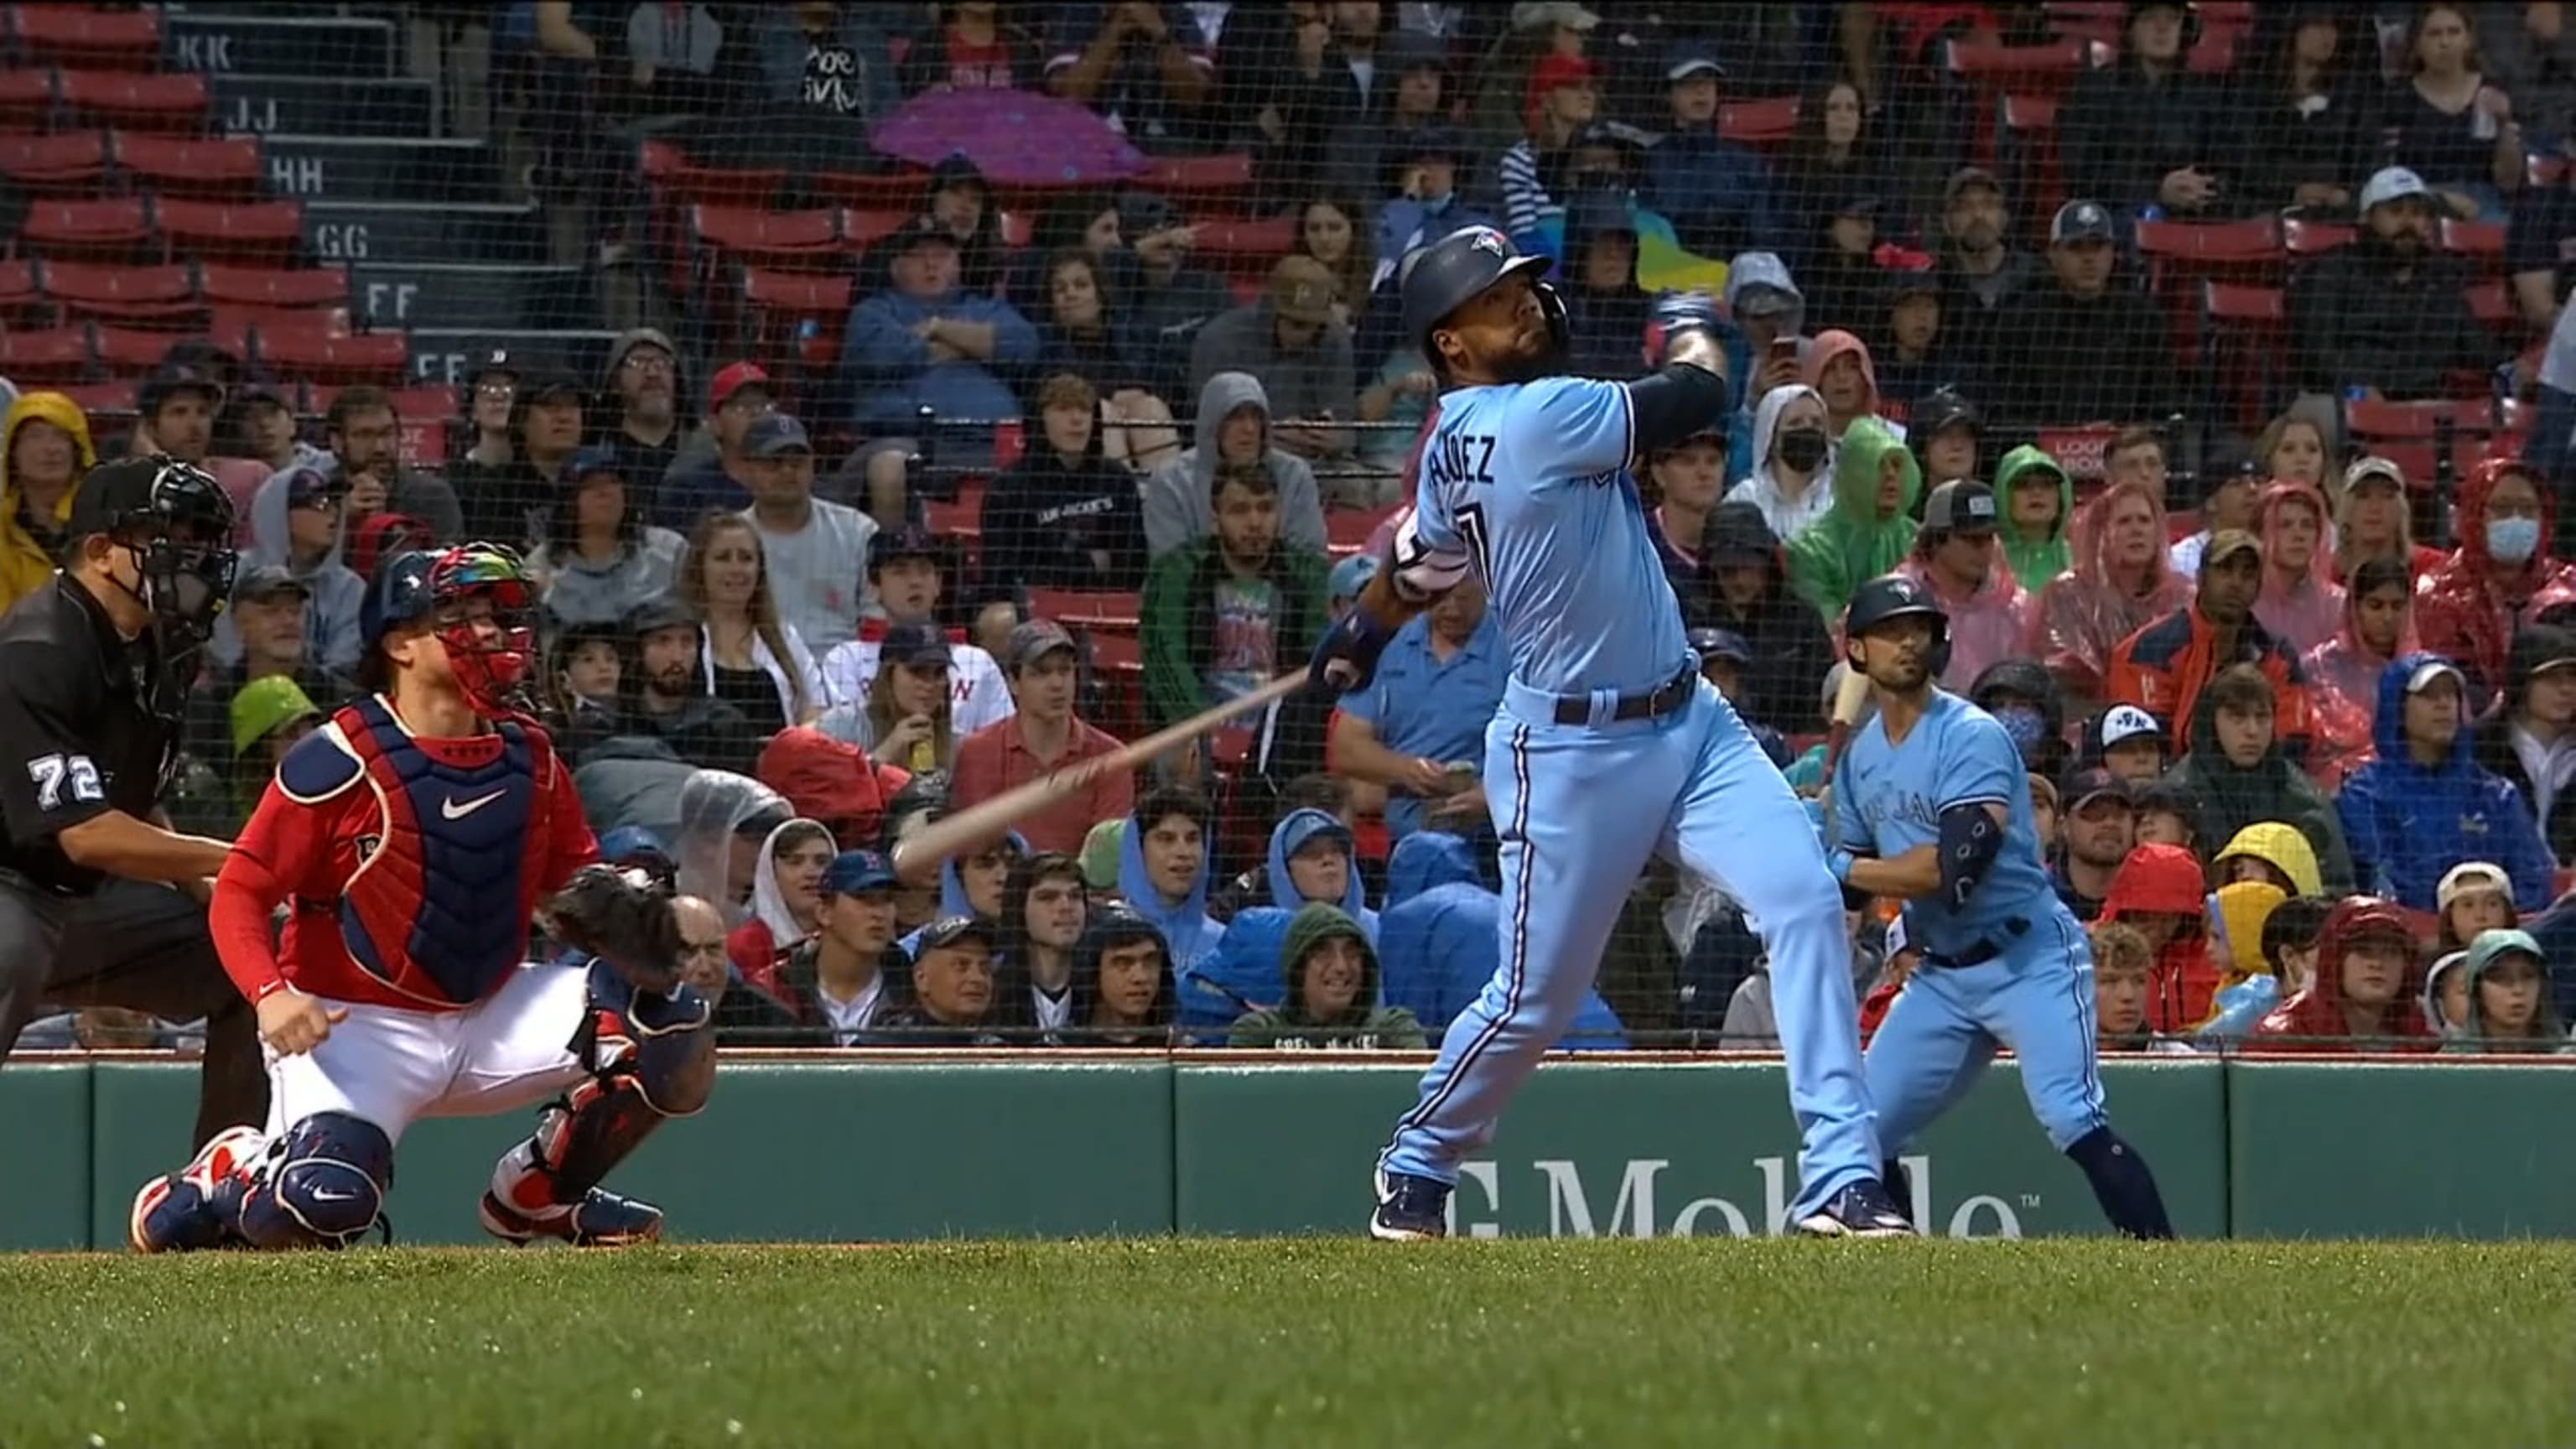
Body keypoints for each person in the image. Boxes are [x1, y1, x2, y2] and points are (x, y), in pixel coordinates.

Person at [1310, 226, 1904, 1240]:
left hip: (1690, 722)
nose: (1531, 306)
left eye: (1528, 290)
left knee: (1804, 898)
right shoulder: (1544, 414)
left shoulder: (1453, 442)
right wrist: (1694, 336)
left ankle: (1843, 1176)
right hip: (1571, 759)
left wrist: (1362, 633)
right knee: (1535, 999)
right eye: (1501, 301)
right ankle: (1419, 1157)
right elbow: (1699, 397)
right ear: (1450, 344)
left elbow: (1423, 566)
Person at [128, 543, 712, 1252]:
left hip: (491, 1007)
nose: (491, 633)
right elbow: (241, 893)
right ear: (401, 642)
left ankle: (539, 1196)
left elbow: (573, 887)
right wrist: (270, 995)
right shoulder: (338, 758)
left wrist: (637, 921)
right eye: (460, 616)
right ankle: (228, 1172)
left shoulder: (529, 752)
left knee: (670, 1022)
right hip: (354, 1028)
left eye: (494, 615)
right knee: (316, 1209)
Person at [1831, 577, 2175, 1239]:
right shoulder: (1859, 762)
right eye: (1891, 630)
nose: (1909, 641)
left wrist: (1841, 864)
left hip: (2029, 957)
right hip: (1943, 973)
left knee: (2072, 1118)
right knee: (1863, 1133)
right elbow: (1847, 891)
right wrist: (1815, 860)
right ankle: (1891, 1270)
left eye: (1920, 629)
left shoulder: (1972, 736)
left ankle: (2169, 1263)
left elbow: (1952, 871)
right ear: (1857, 650)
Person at [0, 457, 262, 1146]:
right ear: (99, 550)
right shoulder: (37, 647)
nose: (195, 558)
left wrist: (206, 885)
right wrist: (237, 858)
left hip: (85, 901)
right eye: (169, 537)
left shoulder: (163, 647)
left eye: (202, 539)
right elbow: (83, 832)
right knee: (10, 950)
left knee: (253, 961)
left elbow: (134, 802)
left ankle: (226, 1196)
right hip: (12, 886)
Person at [2336, 654, 2556, 911]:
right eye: (2429, 695)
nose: (2444, 704)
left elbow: (2533, 882)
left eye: (2451, 694)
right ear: (2397, 706)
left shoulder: (2497, 795)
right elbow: (2379, 881)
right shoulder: (2365, 794)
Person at [1140, 460, 1331, 729]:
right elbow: (1168, 663)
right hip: (1194, 731)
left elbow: (1319, 659)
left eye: (1265, 508)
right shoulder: (1178, 574)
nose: (1255, 522)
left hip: (1284, 734)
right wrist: (1199, 731)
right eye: (1239, 510)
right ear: (1215, 520)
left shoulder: (1307, 574)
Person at [1328, 577, 1507, 841]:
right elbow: (1345, 747)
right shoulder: (1391, 642)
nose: (1453, 610)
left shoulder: (1514, 645)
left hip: (1492, 842)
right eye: (1442, 600)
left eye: (1463, 599)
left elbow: (1551, 746)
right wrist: (1405, 770)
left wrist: (1498, 795)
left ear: (1486, 589)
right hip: (1403, 839)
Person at [2105, 530, 2311, 758]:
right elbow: (2145, 748)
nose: (2236, 583)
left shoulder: (2277, 655)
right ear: (2201, 578)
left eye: (2247, 574)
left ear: (2258, 587)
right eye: (2225, 569)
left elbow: (2293, 740)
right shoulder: (2150, 649)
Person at [950, 620, 1132, 855]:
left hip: (1079, 891)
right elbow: (977, 850)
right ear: (1013, 683)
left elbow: (1105, 860)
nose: (1057, 684)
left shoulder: (1110, 758)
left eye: (1065, 670)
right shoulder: (978, 753)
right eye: (1041, 673)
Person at [2171, 663, 2355, 892]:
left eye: (2262, 717)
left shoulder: (2303, 798)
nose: (2252, 730)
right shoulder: (2178, 793)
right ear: (2211, 722)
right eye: (2237, 717)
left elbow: (2336, 887)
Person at [2414, 459, 2576, 702]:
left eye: (2528, 509)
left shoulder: (2568, 587)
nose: (2516, 519)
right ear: (2475, 514)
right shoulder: (2439, 592)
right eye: (2502, 508)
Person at [977, 373, 1150, 595]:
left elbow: (1133, 565)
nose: (1077, 419)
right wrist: (1090, 563)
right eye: (1064, 408)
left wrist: (1056, 565)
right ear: (1040, 419)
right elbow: (1003, 576)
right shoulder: (1008, 488)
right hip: (1034, 609)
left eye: (1085, 409)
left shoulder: (1117, 480)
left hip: (1109, 603)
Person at [1142, 371, 1329, 561]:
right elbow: (1169, 566)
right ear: (1213, 424)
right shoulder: (1170, 482)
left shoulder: (1295, 476)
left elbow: (1312, 559)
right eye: (1236, 417)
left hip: (1280, 587)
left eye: (1256, 417)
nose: (1249, 428)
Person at [1701, 501, 1835, 735]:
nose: (1740, 580)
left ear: (1766, 564)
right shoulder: (1693, 617)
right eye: (1729, 569)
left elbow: (1820, 704)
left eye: (1749, 567)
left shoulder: (1801, 620)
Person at [1890, 480, 2031, 693]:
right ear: (1937, 539)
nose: (1984, 549)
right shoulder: (1897, 600)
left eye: (1989, 538)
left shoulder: (2015, 608)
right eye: (1972, 539)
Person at [1227, 902, 1426, 1051]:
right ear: (1298, 967)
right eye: (1322, 952)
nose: (1341, 966)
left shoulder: (1395, 1028)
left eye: (1352, 953)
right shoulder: (1258, 1033)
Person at [2250, 896, 2434, 1052]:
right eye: (2363, 950)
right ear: (2335, 959)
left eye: (2391, 952)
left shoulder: (2420, 1039)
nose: (2377, 963)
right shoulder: (2283, 1038)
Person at [1785, 416, 1919, 622]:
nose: (1892, 475)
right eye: (1878, 465)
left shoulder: (1916, 539)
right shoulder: (1811, 549)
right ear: (1853, 474)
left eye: (1896, 464)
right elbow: (1827, 624)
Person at [2304, 554, 2419, 791]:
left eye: (2397, 606)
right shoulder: (2317, 667)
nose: (2388, 617)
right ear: (2354, 607)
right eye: (2375, 606)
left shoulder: (2423, 674)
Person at [2476, 622, 2576, 864]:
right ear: (2522, 682)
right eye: (2552, 679)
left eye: (2573, 677)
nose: (2566, 689)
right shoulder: (2483, 749)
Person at [0, 391, 96, 615]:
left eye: (61, 436)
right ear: (13, 452)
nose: (50, 448)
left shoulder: (103, 523)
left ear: (78, 451)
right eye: (35, 436)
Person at [1722, 384, 1834, 543]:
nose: (1807, 428)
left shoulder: (1839, 500)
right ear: (1771, 436)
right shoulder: (1744, 498)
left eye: (1816, 423)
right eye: (1795, 423)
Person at [1063, 901, 1174, 1045]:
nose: (1141, 977)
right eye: (1123, 963)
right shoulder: (1060, 1053)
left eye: (1150, 962)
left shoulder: (1184, 1052)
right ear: (1094, 973)